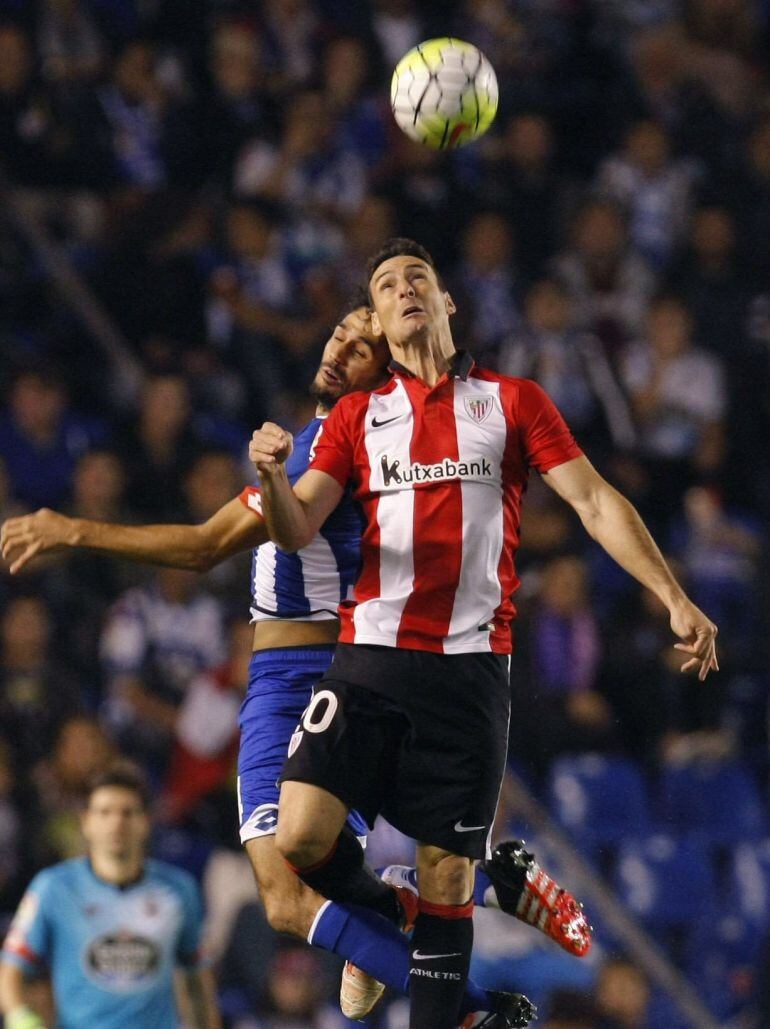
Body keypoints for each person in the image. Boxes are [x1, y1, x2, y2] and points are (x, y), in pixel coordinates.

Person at [1, 306, 587, 1028]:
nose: (342, 346)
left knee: (285, 892)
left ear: (387, 373)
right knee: (308, 887)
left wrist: (74, 529)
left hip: (309, 678)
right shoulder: (329, 442)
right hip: (314, 674)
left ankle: (476, 1004)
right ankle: (481, 901)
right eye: (341, 331)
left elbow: (201, 545)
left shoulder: (338, 450)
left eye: (364, 346)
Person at [248, 238, 718, 1029]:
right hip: (368, 663)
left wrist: (672, 594)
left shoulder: (512, 401)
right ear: (381, 319)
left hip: (468, 675)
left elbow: (597, 503)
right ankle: (406, 905)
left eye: (417, 279)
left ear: (446, 302)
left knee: (445, 881)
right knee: (297, 836)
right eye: (386, 284)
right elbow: (297, 529)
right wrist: (269, 475)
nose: (402, 291)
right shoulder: (359, 417)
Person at [0, 765, 220, 1028]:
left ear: (146, 821)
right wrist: (19, 1016)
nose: (117, 823)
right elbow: (11, 970)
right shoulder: (53, 888)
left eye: (128, 812)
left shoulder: (179, 889)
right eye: (104, 812)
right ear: (86, 821)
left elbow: (197, 979)